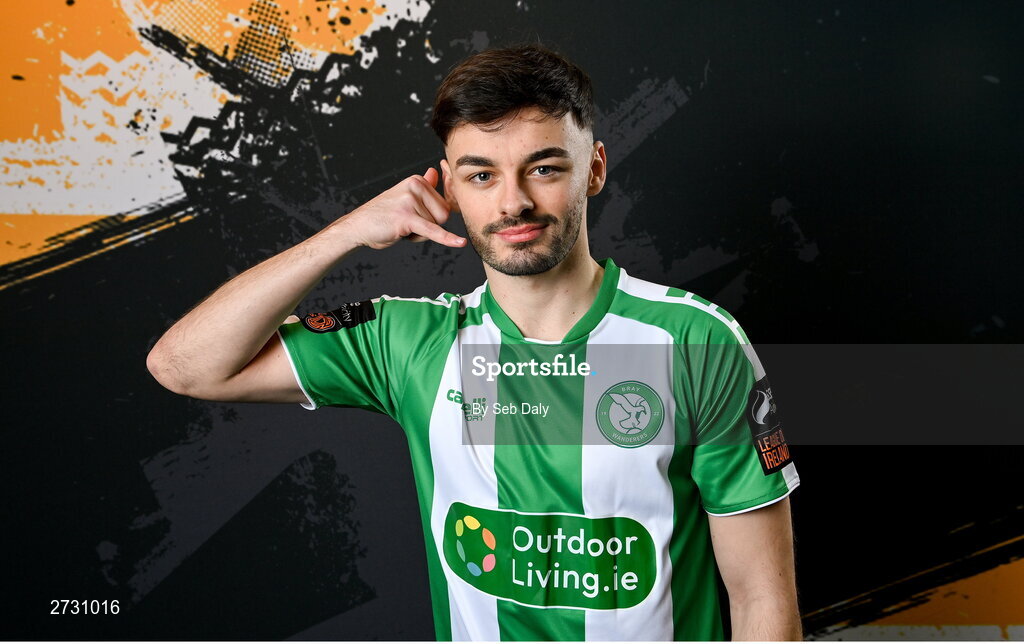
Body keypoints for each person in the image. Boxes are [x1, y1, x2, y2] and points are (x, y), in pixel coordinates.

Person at [147, 44, 801, 641]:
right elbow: (184, 366)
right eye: (481, 175)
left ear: (594, 170)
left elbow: (761, 601)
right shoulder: (408, 341)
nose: (512, 202)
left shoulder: (695, 342)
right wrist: (344, 232)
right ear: (450, 187)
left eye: (543, 168)